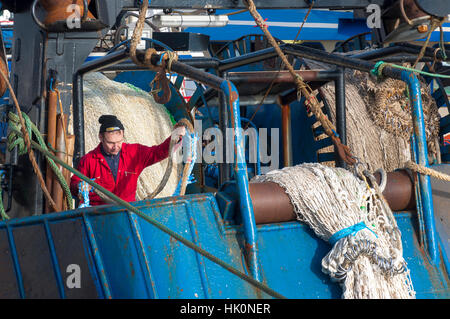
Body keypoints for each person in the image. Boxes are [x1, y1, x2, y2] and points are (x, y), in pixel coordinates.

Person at [70, 114, 185, 206]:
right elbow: (73, 184)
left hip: (127, 212)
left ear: (123, 135)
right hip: (99, 217)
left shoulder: (135, 152)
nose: (115, 146)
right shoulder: (89, 160)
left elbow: (157, 152)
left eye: (119, 141)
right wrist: (79, 186)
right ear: (101, 138)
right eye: (110, 143)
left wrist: (175, 137)